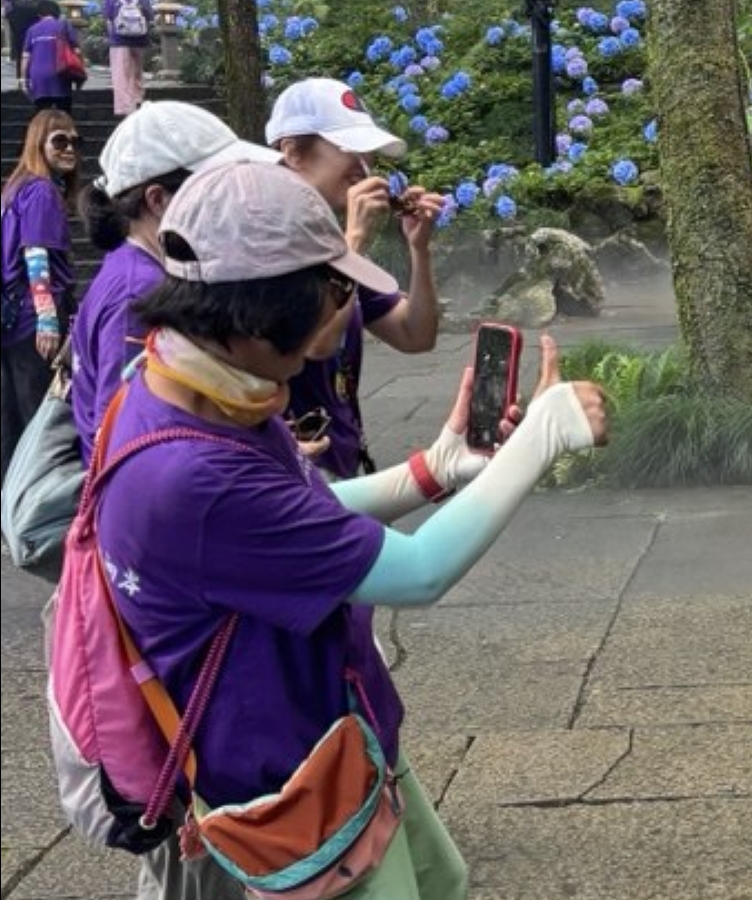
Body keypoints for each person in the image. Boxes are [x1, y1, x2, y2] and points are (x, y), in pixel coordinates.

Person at [97, 160, 606, 898]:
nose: (344, 309)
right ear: (263, 309)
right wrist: (541, 439)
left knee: (442, 882)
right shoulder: (192, 474)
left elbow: (293, 518)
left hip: (338, 735)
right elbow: (419, 571)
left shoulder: (182, 386)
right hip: (292, 783)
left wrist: (431, 471)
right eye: (334, 290)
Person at [70, 100, 280, 461]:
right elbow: (122, 438)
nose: (233, 200)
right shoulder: (140, 292)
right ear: (158, 200)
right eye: (217, 189)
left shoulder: (134, 266)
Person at [266, 76, 447, 479]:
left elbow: (415, 335)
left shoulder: (330, 239)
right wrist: (354, 244)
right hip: (291, 468)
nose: (364, 167)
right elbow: (316, 343)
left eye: (369, 153)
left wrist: (419, 249)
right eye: (350, 150)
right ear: (293, 152)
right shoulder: (264, 242)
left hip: (341, 461)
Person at [2, 107, 77, 482]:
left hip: (13, 321)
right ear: (38, 144)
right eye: (60, 141)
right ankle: (36, 495)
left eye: (75, 141)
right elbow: (35, 254)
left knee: (13, 419)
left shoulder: (16, 190)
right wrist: (47, 319)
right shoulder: (42, 192)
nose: (70, 148)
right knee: (40, 421)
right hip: (34, 321)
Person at [19, 1, 78, 113]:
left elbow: (25, 57)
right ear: (57, 13)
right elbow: (77, 51)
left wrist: (23, 79)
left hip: (38, 76)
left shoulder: (32, 30)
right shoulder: (64, 26)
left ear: (39, 14)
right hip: (61, 74)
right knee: (63, 113)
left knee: (42, 113)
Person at [103, 0, 153, 116]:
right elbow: (149, 16)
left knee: (120, 74)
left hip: (119, 40)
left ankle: (124, 107)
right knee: (137, 71)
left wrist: (111, 36)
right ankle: (137, 99)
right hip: (140, 39)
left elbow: (108, 18)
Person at [5, 0, 42, 82]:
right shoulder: (35, 9)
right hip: (32, 28)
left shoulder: (12, 10)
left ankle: (20, 78)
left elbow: (8, 14)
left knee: (20, 52)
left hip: (18, 31)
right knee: (35, 52)